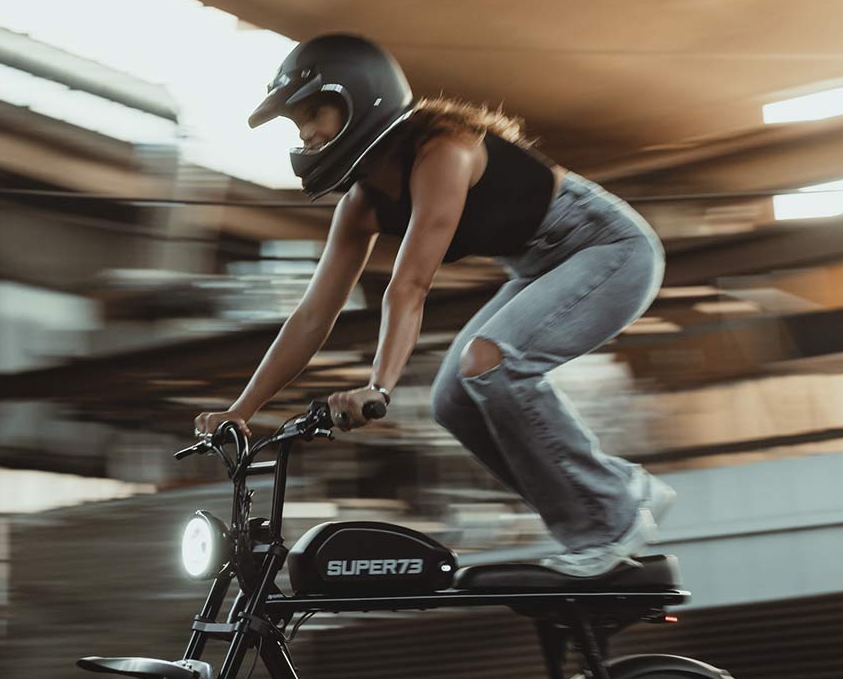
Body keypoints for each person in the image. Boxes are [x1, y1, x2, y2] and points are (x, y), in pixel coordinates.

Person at [194, 34, 674, 579]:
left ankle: (609, 514)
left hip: (608, 248)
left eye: (313, 113)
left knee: (490, 364)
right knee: (453, 400)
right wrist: (242, 410)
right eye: (295, 122)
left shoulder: (444, 150)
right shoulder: (361, 206)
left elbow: (409, 285)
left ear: (359, 99)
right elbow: (312, 316)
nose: (304, 133)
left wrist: (379, 386)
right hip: (543, 268)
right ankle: (605, 506)